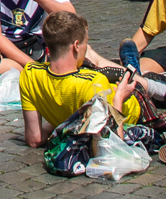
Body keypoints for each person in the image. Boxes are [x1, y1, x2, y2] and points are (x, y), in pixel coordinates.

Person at [18, 12, 106, 149]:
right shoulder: (94, 82)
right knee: (140, 76)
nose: (87, 48)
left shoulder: (30, 74)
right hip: (136, 110)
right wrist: (119, 97)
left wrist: (59, 125)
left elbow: (34, 139)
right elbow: (105, 143)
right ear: (76, 45)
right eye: (86, 43)